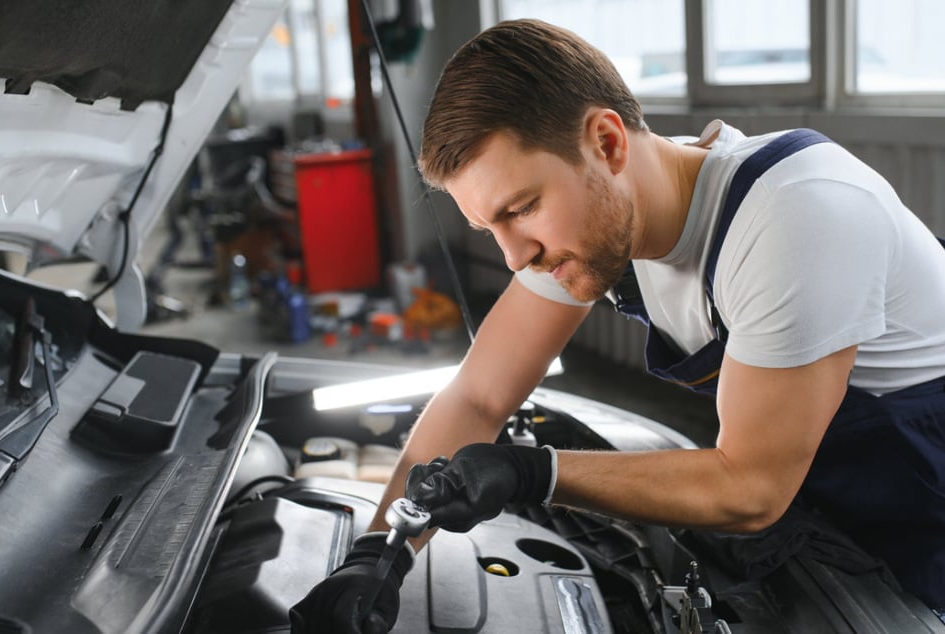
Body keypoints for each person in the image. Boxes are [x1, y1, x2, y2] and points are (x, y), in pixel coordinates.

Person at [289, 18, 945, 632]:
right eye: (491, 227)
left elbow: (750, 487)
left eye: (520, 209)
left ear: (605, 142)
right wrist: (382, 549)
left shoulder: (794, 216)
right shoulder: (603, 218)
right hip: (837, 498)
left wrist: (531, 472)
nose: (514, 256)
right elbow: (478, 394)